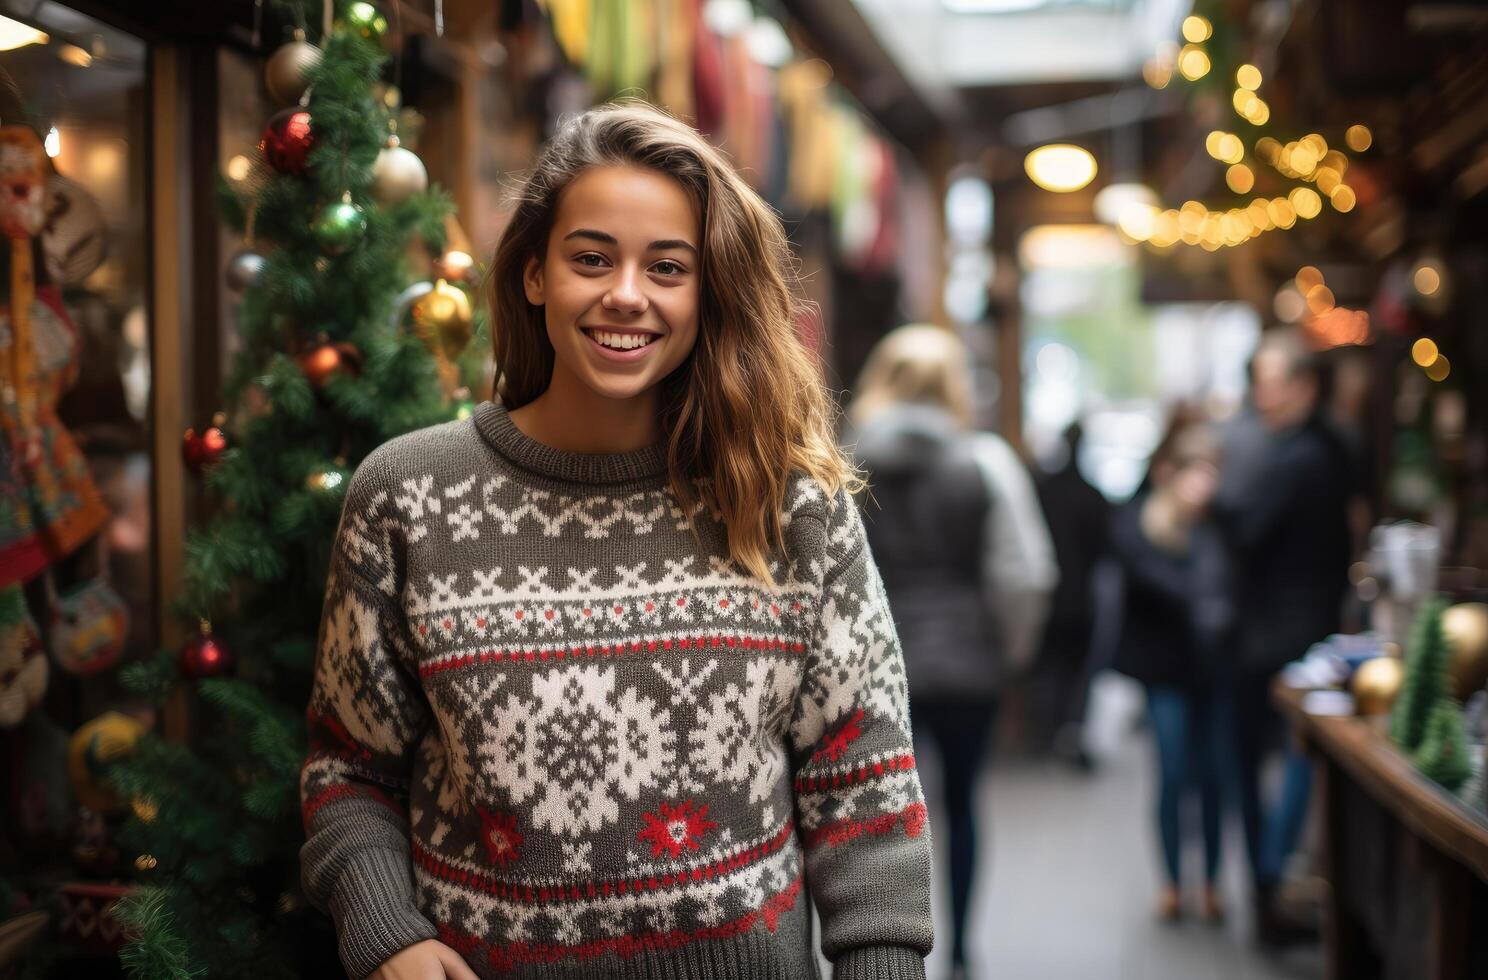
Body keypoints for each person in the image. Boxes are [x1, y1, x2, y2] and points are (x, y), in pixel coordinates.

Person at [299, 103, 934, 980]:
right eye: (591, 258)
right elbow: (349, 765)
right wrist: (386, 933)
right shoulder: (406, 497)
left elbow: (864, 784)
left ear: (706, 290)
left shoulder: (792, 508)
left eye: (666, 267)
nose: (626, 293)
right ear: (533, 274)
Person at [850, 324, 1056, 980]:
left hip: (874, 666)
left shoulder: (843, 464)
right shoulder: (984, 462)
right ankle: (962, 947)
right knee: (963, 804)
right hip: (968, 659)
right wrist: (1010, 652)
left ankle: (885, 953)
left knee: (877, 816)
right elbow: (1025, 574)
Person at [1215, 327, 1353, 945]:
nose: (1261, 396)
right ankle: (1272, 887)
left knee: (1287, 755)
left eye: (1270, 383)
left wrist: (1211, 505)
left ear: (1303, 386)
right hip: (1297, 626)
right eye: (1257, 383)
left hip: (1281, 633)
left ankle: (1272, 874)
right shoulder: (1319, 447)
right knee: (1284, 757)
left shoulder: (1296, 457)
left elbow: (1247, 533)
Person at [1111, 410, 1232, 924]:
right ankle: (1171, 882)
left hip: (1212, 668)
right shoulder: (1142, 522)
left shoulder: (1222, 528)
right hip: (1164, 671)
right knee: (1174, 770)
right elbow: (1149, 581)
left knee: (1211, 776)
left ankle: (1210, 881)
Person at [1032, 422, 1110, 768]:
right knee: (1076, 669)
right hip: (1079, 596)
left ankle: (1050, 732)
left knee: (1051, 665)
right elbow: (1104, 549)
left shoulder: (1045, 490)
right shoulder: (1091, 495)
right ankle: (1069, 729)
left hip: (1051, 593)